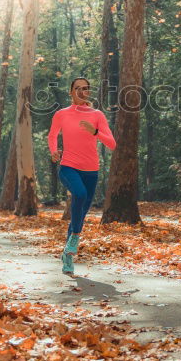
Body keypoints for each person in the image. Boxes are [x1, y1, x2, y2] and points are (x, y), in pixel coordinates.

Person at [48, 77, 116, 276]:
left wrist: (95, 131)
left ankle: (67, 256)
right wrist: (54, 151)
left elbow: (112, 143)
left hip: (91, 170)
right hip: (68, 166)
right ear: (71, 92)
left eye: (85, 88)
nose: (81, 91)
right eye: (77, 88)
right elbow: (52, 135)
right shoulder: (61, 114)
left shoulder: (97, 115)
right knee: (79, 194)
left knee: (80, 213)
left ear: (88, 92)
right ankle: (76, 237)